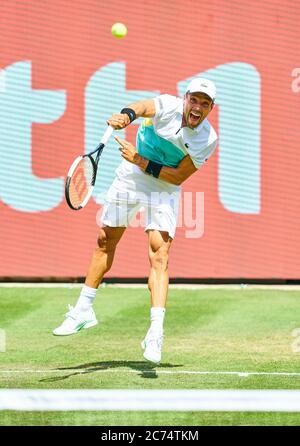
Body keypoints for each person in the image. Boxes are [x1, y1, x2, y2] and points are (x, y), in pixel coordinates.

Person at [53, 78, 218, 364]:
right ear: (186, 98)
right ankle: (83, 310)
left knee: (160, 254)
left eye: (205, 104)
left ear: (210, 109)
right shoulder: (168, 105)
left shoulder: (207, 139)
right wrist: (126, 116)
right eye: (195, 100)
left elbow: (177, 176)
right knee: (105, 239)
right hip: (129, 176)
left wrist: (140, 159)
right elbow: (140, 107)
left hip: (163, 186)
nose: (198, 107)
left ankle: (155, 333)